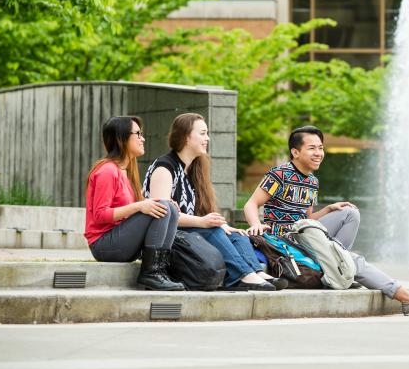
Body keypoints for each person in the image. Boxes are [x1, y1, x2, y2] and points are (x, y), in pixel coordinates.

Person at [244, 125, 409, 315]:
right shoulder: (279, 174)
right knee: (352, 260)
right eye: (312, 148)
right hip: (285, 239)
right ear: (295, 152)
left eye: (321, 148)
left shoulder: (313, 181)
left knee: (350, 213)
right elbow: (251, 204)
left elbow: (308, 218)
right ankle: (406, 297)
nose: (318, 153)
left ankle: (337, 259)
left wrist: (329, 209)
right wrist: (255, 224)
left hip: (306, 233)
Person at [143, 113, 284, 291]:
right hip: (168, 238)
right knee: (215, 231)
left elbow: (197, 216)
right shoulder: (165, 167)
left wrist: (220, 225)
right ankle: (244, 276)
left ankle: (256, 272)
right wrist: (203, 222)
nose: (207, 138)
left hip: (190, 231)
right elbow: (162, 214)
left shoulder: (193, 168)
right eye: (202, 133)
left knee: (237, 235)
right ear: (186, 136)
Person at [85, 116, 184, 291]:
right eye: (137, 134)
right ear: (121, 138)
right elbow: (100, 216)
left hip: (121, 240)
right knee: (162, 206)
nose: (142, 138)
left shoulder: (128, 171)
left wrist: (153, 203)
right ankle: (150, 273)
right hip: (104, 245)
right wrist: (140, 206)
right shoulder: (107, 171)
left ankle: (159, 270)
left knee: (170, 208)